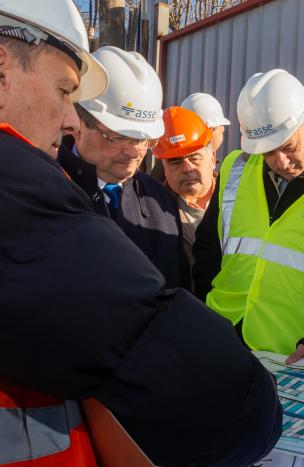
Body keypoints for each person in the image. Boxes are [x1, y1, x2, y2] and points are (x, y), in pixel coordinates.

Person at [0, 2, 281, 465]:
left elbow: (173, 293)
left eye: (143, 141)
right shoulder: (33, 196)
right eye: (64, 90)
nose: (134, 153)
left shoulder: (155, 202)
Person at [193, 68, 304, 364]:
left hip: (297, 356)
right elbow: (207, 251)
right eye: (267, 151)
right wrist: (207, 312)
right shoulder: (234, 168)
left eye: (288, 147)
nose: (280, 162)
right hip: (221, 340)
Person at [58, 46, 189, 289]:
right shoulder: (44, 192)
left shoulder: (161, 202)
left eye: (142, 140)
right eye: (117, 138)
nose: (134, 152)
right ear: (79, 123)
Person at [154, 106, 217, 275]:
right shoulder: (151, 210)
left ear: (212, 158)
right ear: (164, 166)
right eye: (176, 161)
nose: (187, 168)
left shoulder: (237, 197)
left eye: (194, 158)